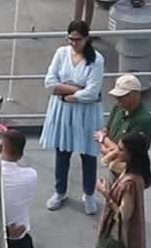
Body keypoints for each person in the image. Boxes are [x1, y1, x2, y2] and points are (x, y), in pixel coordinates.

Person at [39, 19, 106, 214]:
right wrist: (77, 91)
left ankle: (89, 194)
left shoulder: (97, 60)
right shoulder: (61, 54)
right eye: (71, 39)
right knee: (62, 152)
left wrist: (67, 94)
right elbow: (49, 83)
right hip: (63, 111)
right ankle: (60, 191)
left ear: (86, 39)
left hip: (86, 113)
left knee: (88, 154)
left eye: (77, 40)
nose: (73, 43)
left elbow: (92, 93)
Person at [97, 74, 151, 160]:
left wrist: (103, 139)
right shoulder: (118, 107)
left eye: (122, 96)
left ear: (136, 94)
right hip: (114, 165)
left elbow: (124, 154)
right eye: (117, 96)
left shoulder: (143, 120)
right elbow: (106, 129)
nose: (117, 98)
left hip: (132, 169)